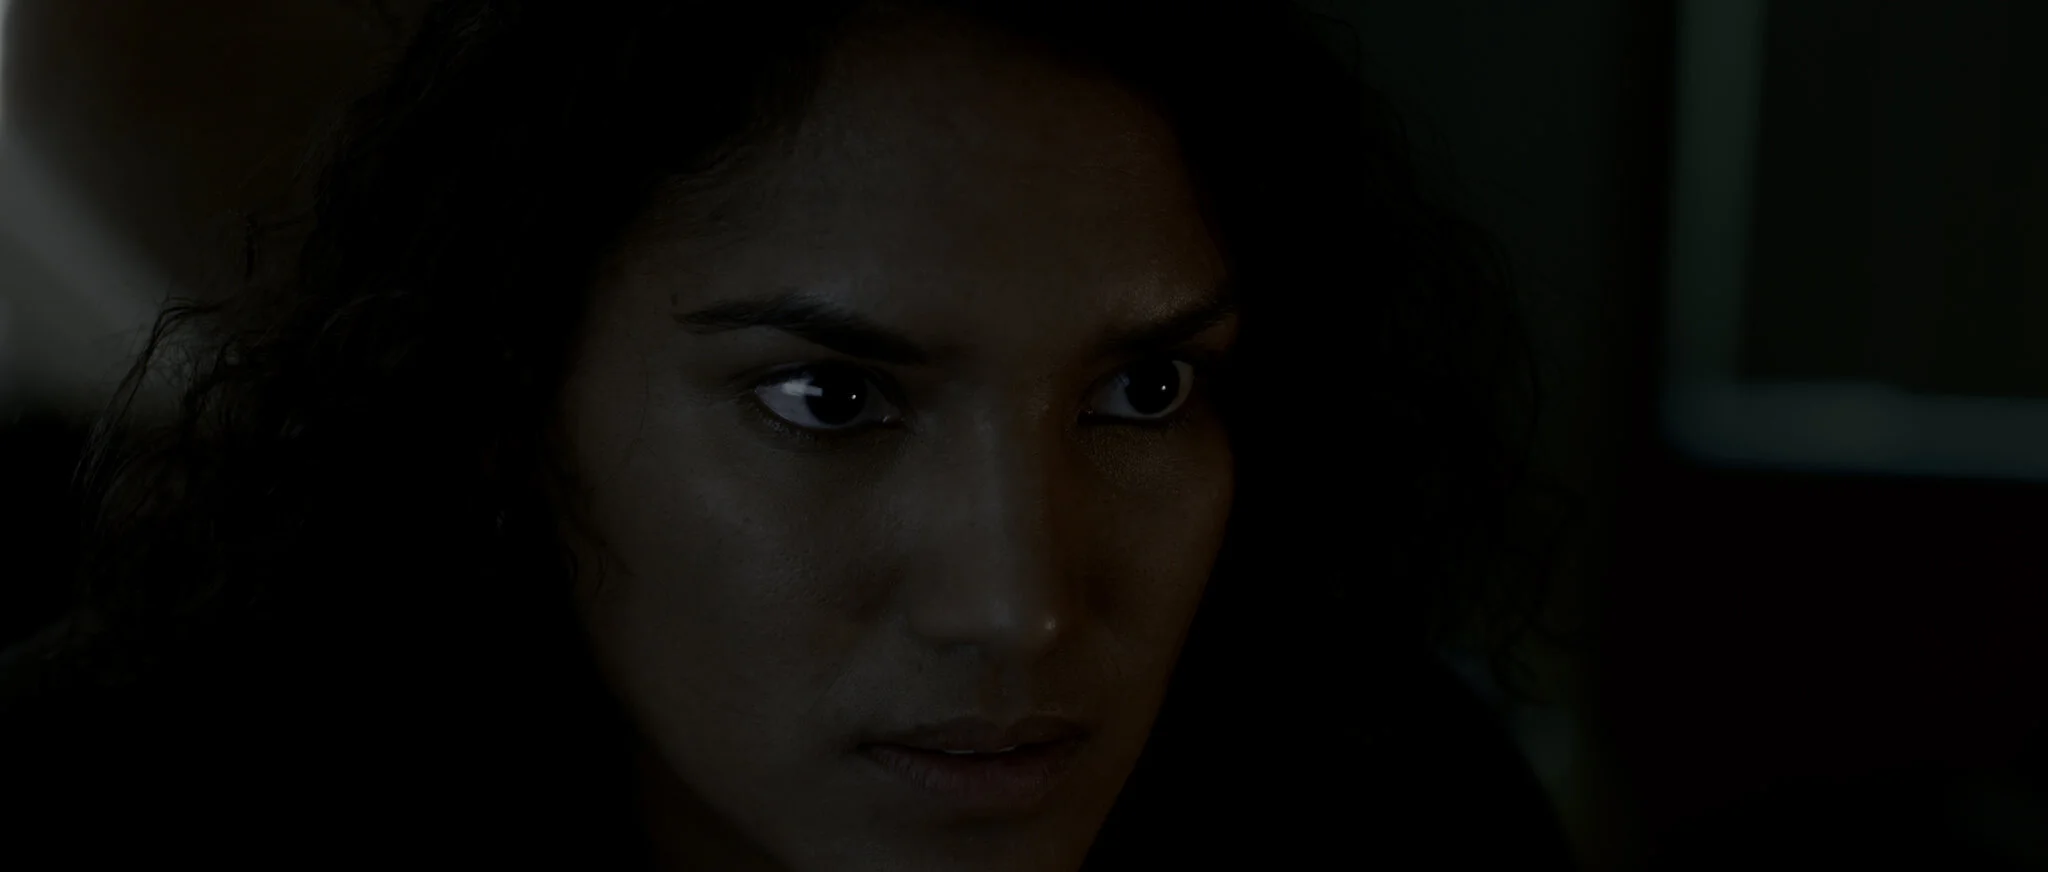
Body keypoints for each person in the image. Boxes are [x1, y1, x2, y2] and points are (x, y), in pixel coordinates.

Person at [0, 1, 1566, 869]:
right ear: (507, 410)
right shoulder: (138, 820)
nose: (1015, 602)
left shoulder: (1389, 814)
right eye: (830, 400)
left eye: (1144, 391)